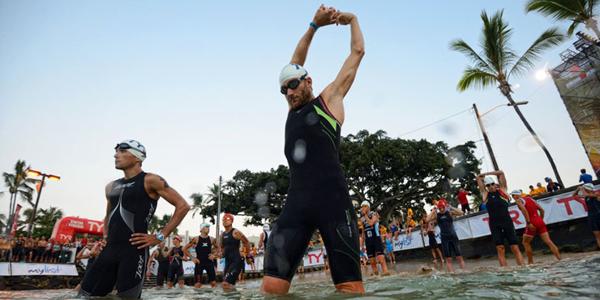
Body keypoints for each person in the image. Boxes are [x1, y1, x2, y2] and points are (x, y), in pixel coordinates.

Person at [261, 4, 365, 295]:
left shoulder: (329, 100)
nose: (289, 93)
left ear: (308, 81)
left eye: (293, 85)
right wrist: (314, 25)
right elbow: (292, 65)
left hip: (334, 205)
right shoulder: (291, 108)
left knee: (349, 288)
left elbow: (356, 53)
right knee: (271, 288)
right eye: (284, 89)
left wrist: (352, 20)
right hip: (296, 206)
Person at [78, 140, 190, 298]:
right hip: (108, 250)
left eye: (122, 151)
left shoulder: (150, 180)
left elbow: (183, 206)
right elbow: (108, 215)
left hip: (134, 251)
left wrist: (159, 237)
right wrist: (104, 237)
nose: (116, 155)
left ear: (138, 157)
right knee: (84, 295)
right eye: (116, 151)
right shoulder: (111, 186)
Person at [477, 170, 524, 267]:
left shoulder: (503, 191)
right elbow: (478, 178)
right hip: (495, 225)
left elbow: (501, 173)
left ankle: (522, 267)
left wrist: (486, 174)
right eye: (488, 185)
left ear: (496, 184)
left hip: (507, 222)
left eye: (492, 184)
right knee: (500, 248)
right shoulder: (485, 194)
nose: (490, 186)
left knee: (514, 247)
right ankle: (505, 271)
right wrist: (482, 177)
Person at [511, 190, 560, 264]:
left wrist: (528, 222)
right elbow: (542, 210)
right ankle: (559, 258)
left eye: (513, 195)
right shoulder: (530, 199)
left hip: (531, 222)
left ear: (516, 195)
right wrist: (540, 220)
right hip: (539, 220)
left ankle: (530, 262)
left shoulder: (518, 201)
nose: (513, 197)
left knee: (525, 242)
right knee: (549, 241)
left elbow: (524, 210)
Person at [427, 200, 465, 272]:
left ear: (445, 207)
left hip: (453, 236)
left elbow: (461, 212)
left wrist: (451, 207)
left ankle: (463, 271)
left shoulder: (449, 213)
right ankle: (451, 273)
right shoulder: (437, 215)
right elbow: (427, 220)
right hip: (444, 238)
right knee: (448, 258)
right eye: (440, 208)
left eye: (443, 207)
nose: (441, 209)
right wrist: (433, 211)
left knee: (459, 256)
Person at [220, 213, 250, 291]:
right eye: (223, 219)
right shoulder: (222, 234)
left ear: (232, 221)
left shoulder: (235, 232)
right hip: (227, 263)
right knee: (229, 285)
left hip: (236, 262)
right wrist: (218, 254)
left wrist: (248, 255)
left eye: (227, 219)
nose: (224, 221)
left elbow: (246, 242)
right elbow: (222, 248)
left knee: (225, 284)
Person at [183, 223, 218, 288]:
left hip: (209, 263)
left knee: (213, 283)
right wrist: (192, 258)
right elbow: (184, 249)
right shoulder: (196, 239)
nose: (208, 228)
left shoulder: (212, 239)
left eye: (208, 227)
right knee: (197, 284)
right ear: (201, 229)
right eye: (206, 227)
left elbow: (218, 248)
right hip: (199, 263)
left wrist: (213, 255)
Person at [360, 201, 390, 276]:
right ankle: (376, 277)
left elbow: (371, 223)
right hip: (368, 241)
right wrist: (362, 245)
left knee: (381, 259)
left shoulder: (374, 214)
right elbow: (363, 232)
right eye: (362, 207)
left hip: (376, 239)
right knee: (372, 261)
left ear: (368, 207)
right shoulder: (362, 219)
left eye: (364, 206)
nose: (362, 208)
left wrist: (365, 215)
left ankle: (386, 274)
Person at [573, 183, 600, 249]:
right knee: (597, 236)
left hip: (598, 215)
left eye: (585, 188)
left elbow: (586, 194)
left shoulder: (596, 194)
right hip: (592, 217)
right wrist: (577, 189)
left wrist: (582, 189)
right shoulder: (586, 196)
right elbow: (574, 196)